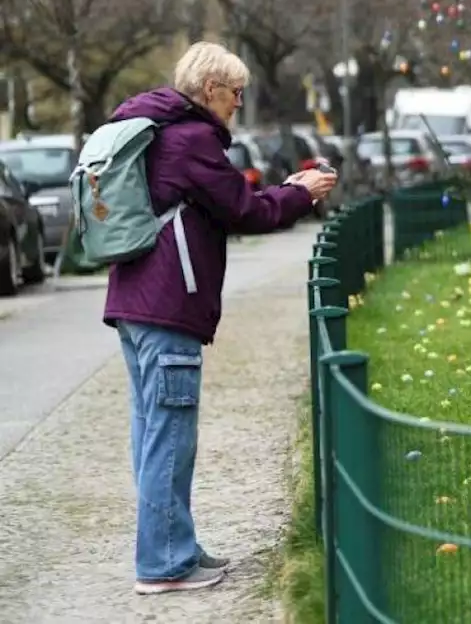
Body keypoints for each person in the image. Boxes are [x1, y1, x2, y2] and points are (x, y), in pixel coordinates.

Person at [103, 42, 337, 595]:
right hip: (168, 306)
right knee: (170, 438)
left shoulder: (155, 128)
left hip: (135, 303)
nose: (237, 104)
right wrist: (300, 193)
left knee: (152, 433)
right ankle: (164, 564)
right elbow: (244, 208)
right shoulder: (190, 139)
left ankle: (173, 545)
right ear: (210, 90)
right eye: (236, 93)